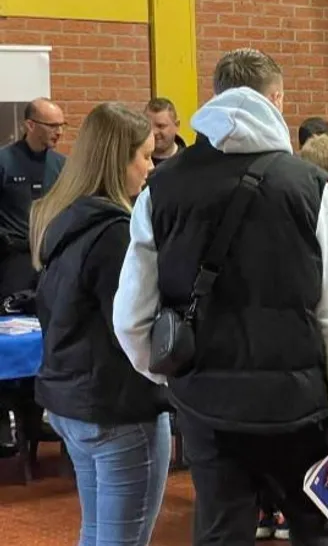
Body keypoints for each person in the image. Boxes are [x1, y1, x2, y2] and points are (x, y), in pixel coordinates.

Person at [113, 48, 328, 545]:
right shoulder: (311, 188)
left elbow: (130, 314)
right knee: (317, 531)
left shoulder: (161, 188)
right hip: (299, 406)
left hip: (206, 402)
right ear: (276, 99)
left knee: (220, 532)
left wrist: (167, 373)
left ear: (215, 97)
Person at [30, 102, 171, 546]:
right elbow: (132, 328)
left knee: (95, 534)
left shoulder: (63, 221)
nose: (150, 167)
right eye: (144, 156)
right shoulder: (114, 234)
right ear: (117, 159)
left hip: (75, 403)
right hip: (116, 409)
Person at [0, 97, 66, 297]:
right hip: (13, 261)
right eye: (53, 126)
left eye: (62, 126)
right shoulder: (4, 161)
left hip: (51, 261)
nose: (60, 132)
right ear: (30, 125)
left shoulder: (62, 165)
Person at [145, 97, 187, 167]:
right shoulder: (134, 163)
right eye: (148, 126)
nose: (153, 132)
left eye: (160, 126)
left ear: (176, 125)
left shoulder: (189, 163)